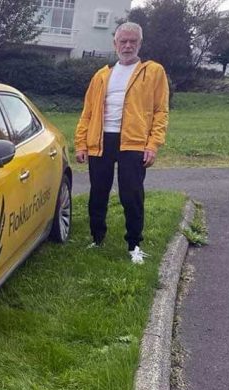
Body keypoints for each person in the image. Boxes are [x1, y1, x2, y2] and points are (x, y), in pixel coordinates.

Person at [74, 22, 169, 265]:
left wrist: (153, 144)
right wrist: (81, 144)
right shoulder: (101, 75)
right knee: (98, 192)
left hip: (134, 142)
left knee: (132, 194)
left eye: (132, 42)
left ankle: (134, 244)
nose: (127, 46)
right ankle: (97, 238)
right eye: (123, 41)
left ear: (140, 44)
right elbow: (87, 112)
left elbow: (160, 111)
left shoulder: (153, 71)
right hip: (101, 139)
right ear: (115, 44)